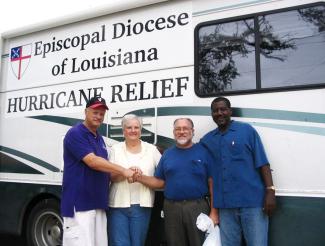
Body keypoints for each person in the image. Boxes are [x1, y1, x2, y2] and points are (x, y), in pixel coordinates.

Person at [200, 97, 276, 246]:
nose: (219, 113)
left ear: (230, 111)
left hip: (253, 204)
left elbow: (263, 163)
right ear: (211, 114)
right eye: (215, 111)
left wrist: (270, 192)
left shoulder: (246, 131)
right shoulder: (208, 140)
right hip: (226, 207)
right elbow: (189, 151)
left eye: (223, 109)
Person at [61, 96, 134, 246]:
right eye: (95, 112)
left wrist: (126, 173)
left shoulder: (99, 139)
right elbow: (92, 161)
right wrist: (123, 170)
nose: (98, 116)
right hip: (79, 206)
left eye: (101, 113)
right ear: (85, 112)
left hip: (98, 204)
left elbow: (105, 172)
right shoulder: (75, 133)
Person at [135, 118, 218, 246]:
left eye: (185, 128)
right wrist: (139, 177)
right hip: (171, 208)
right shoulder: (168, 154)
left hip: (197, 207)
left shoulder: (204, 152)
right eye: (178, 129)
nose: (181, 131)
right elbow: (160, 182)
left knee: (199, 243)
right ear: (174, 132)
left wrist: (214, 212)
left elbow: (213, 184)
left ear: (192, 131)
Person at [107, 114, 161, 246]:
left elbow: (161, 178)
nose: (133, 130)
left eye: (136, 127)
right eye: (129, 127)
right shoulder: (115, 149)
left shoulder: (151, 150)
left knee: (138, 243)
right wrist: (126, 173)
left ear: (141, 130)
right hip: (118, 206)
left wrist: (139, 177)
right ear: (123, 130)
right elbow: (110, 177)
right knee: (119, 243)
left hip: (142, 206)